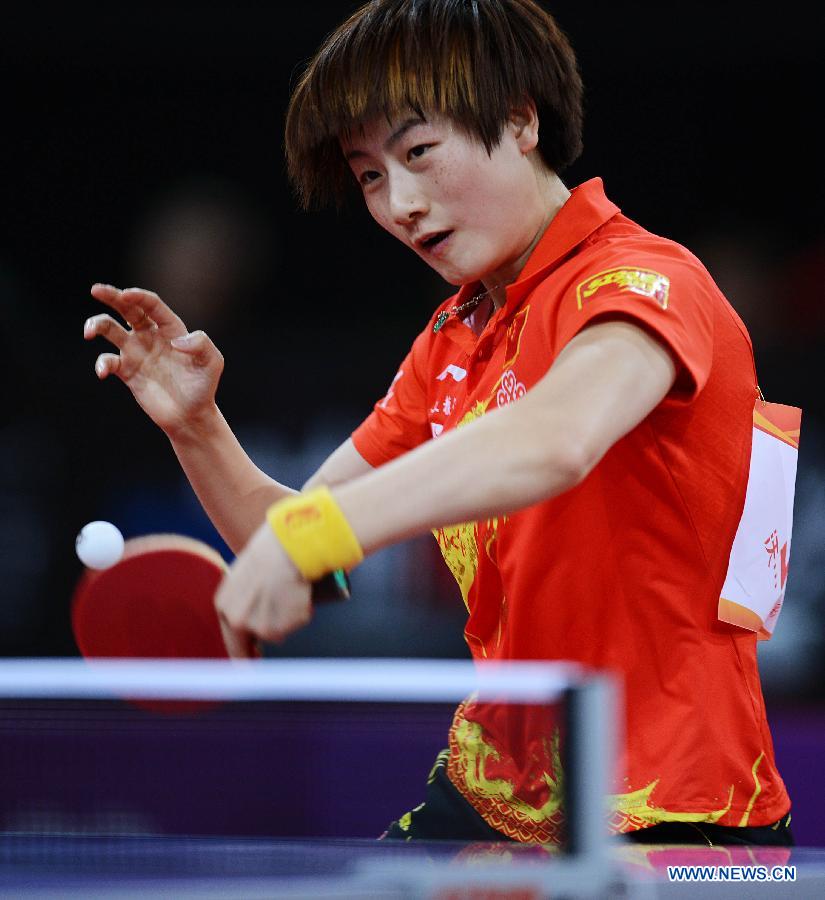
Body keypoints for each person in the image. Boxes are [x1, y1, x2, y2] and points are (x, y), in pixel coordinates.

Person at [84, 0, 792, 846]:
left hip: (680, 815)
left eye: (419, 153)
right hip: (490, 799)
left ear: (521, 120)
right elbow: (299, 547)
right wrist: (197, 427)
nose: (400, 204)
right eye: (371, 176)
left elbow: (556, 438)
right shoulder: (453, 340)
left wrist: (321, 532)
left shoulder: (643, 285)